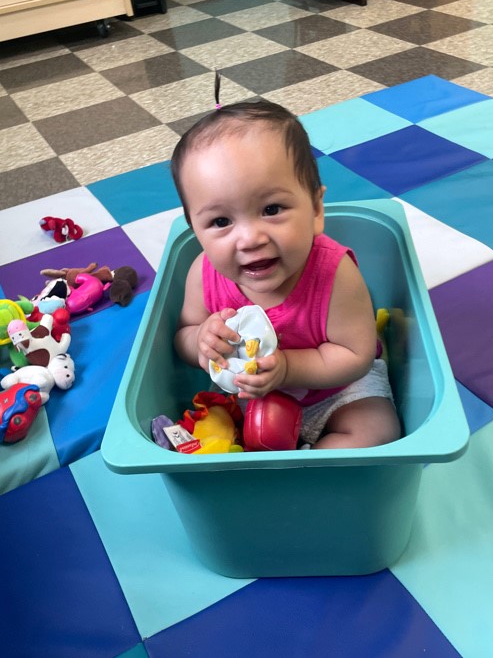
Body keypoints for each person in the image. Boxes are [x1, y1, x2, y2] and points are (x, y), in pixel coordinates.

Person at [171, 99, 400, 450]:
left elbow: (356, 355)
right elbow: (184, 334)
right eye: (220, 222)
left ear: (316, 209)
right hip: (251, 395)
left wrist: (287, 368)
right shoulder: (203, 274)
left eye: (271, 209)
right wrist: (201, 341)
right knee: (218, 436)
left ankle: (313, 468)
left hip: (338, 390)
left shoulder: (335, 273)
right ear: (195, 230)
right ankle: (269, 463)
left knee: (377, 429)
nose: (249, 239)